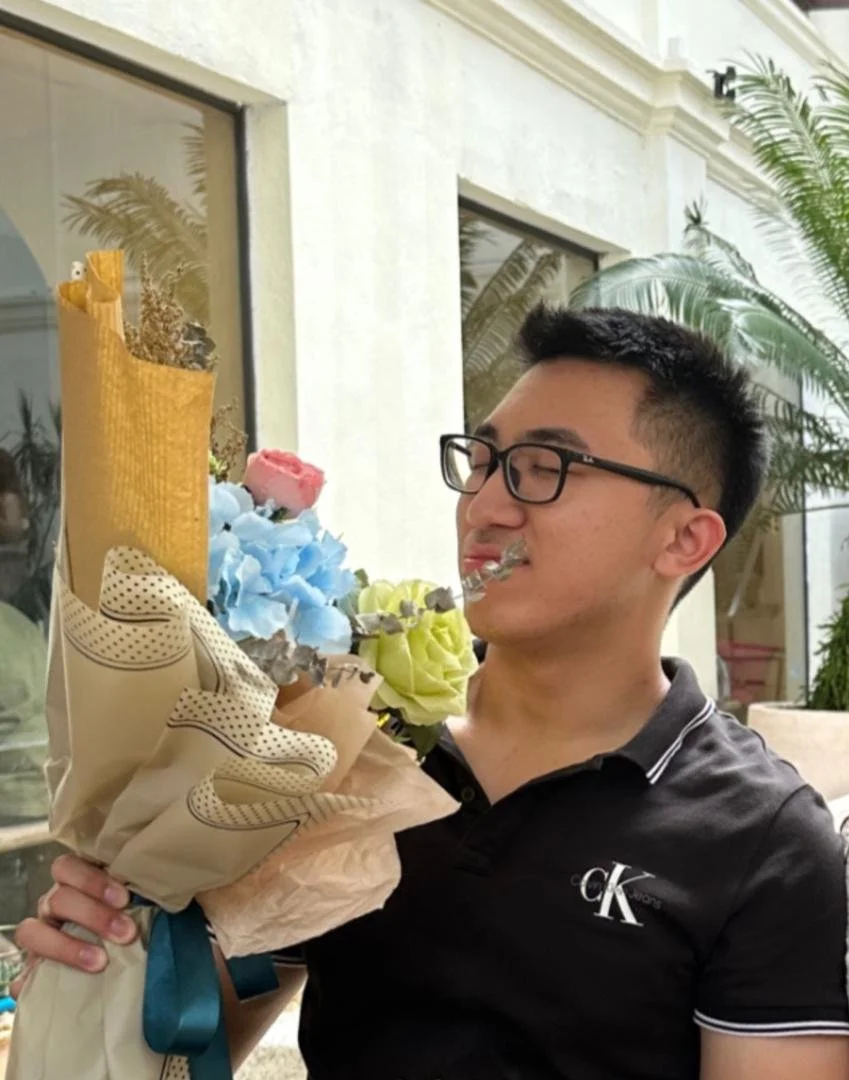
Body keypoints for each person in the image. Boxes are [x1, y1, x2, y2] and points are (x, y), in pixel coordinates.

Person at [15, 305, 849, 1079]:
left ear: (683, 539)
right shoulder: (346, 745)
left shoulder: (761, 838)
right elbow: (201, 1034)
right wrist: (119, 940)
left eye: (542, 469)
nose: (485, 505)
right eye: (480, 462)